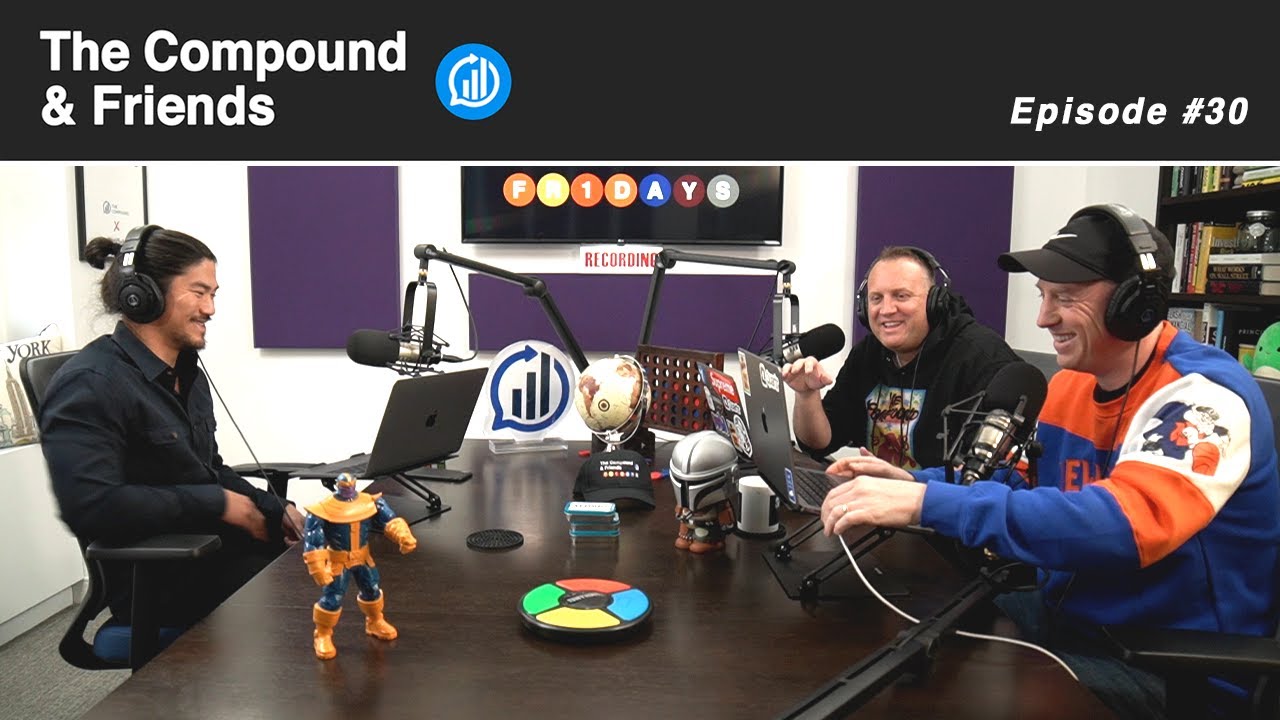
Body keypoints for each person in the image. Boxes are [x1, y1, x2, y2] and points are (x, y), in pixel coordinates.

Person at [818, 205, 1280, 719]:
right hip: (1067, 621)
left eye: (1065, 297)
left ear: (1135, 303)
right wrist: (911, 481)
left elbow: (1121, 527)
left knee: (942, 699)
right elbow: (1019, 479)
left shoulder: (1201, 401)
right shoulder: (1070, 385)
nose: (1043, 318)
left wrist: (928, 503)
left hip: (1163, 667)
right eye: (1043, 296)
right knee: (894, 649)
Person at [39, 224, 306, 631]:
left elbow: (209, 469)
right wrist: (215, 503)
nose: (210, 309)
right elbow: (90, 506)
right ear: (143, 294)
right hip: (161, 578)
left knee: (327, 564)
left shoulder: (187, 374)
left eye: (213, 295)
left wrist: (276, 509)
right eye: (199, 292)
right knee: (305, 598)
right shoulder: (89, 383)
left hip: (216, 551)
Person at [782, 245, 1021, 469]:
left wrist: (908, 488)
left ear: (935, 302)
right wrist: (807, 395)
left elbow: (982, 474)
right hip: (875, 495)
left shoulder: (982, 359)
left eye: (901, 296)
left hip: (939, 500)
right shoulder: (869, 352)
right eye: (876, 298)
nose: (886, 310)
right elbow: (819, 442)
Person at [303, 472, 417, 660]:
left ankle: (375, 621)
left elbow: (389, 520)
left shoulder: (370, 502)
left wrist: (403, 536)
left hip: (363, 558)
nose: (348, 489)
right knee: (333, 597)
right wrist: (318, 568)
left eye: (351, 485)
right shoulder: (323, 509)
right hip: (338, 561)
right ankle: (322, 634)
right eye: (344, 486)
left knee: (372, 590)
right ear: (338, 486)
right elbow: (314, 540)